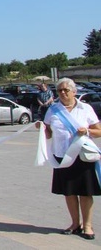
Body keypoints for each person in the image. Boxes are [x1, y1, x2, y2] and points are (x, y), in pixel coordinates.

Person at [38, 78, 101, 240]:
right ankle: (75, 223)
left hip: (82, 156)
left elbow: (98, 131)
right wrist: (42, 129)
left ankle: (87, 225)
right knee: (69, 192)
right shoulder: (53, 110)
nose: (63, 93)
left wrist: (86, 131)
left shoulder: (85, 108)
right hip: (63, 156)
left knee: (85, 192)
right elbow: (48, 133)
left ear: (74, 91)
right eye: (60, 90)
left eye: (66, 90)